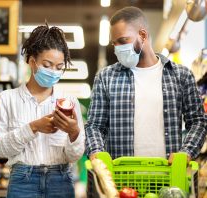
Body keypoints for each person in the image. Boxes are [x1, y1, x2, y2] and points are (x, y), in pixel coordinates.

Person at [85, 6, 207, 162]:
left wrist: (187, 152)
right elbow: (95, 125)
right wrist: (96, 151)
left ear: (142, 35)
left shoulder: (181, 75)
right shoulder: (106, 77)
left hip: (168, 177)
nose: (118, 48)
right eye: (114, 43)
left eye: (123, 41)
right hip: (122, 178)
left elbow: (198, 121)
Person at [0, 24, 85, 198]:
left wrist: (74, 132)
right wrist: (33, 127)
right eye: (47, 65)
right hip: (22, 184)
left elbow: (74, 155)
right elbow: (1, 148)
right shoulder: (8, 99)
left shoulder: (70, 102)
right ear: (32, 62)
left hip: (60, 183)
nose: (53, 71)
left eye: (59, 67)